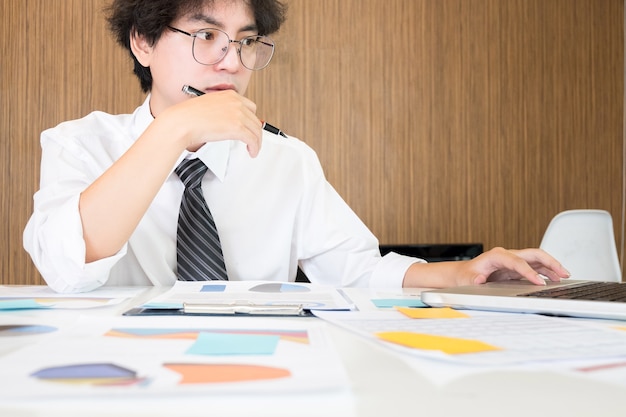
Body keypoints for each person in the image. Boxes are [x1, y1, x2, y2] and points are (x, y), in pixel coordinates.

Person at [23, 0, 569, 293]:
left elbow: (354, 268)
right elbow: (68, 267)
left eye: (244, 41)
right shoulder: (80, 143)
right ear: (142, 42)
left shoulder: (288, 160)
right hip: (117, 378)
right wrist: (174, 131)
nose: (231, 62)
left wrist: (463, 271)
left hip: (262, 375)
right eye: (206, 35)